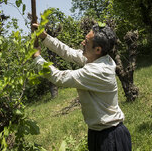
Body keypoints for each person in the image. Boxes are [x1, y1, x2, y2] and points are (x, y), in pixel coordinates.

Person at [32, 22, 132, 151]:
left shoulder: (97, 70)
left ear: (97, 49)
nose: (82, 43)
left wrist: (38, 58)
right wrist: (45, 37)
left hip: (110, 137)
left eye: (86, 41)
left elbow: (59, 77)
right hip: (98, 132)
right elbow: (68, 52)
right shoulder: (97, 58)